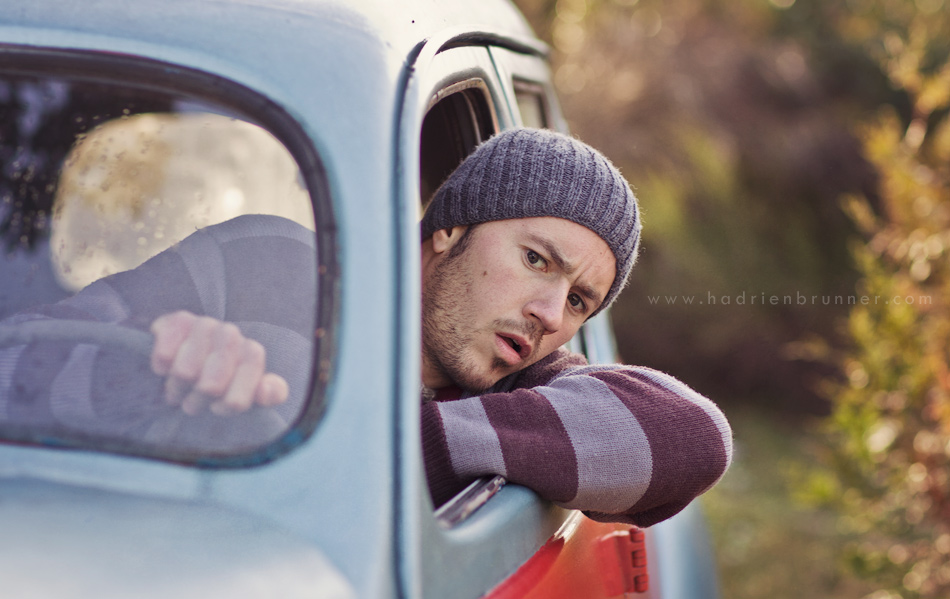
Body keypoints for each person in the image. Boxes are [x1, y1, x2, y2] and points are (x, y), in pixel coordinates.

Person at [0, 128, 731, 527]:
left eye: (580, 301)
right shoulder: (270, 259)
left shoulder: (530, 379)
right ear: (449, 229)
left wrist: (336, 451)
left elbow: (694, 436)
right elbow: (19, 359)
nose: (549, 314)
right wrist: (150, 375)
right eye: (536, 259)